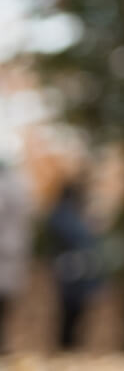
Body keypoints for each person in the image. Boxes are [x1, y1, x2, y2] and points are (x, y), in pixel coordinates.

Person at [45, 180, 103, 350]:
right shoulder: (66, 215)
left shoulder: (76, 215)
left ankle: (71, 345)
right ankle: (66, 345)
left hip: (79, 269)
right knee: (70, 309)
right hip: (70, 267)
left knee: (76, 311)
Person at [0, 143, 33, 354]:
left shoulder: (4, 185)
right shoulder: (23, 184)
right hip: (16, 248)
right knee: (6, 302)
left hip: (4, 250)